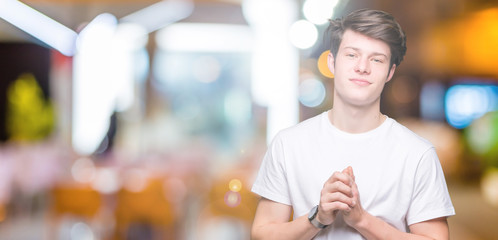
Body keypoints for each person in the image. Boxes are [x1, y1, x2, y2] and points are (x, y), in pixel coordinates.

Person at [250, 9, 455, 240]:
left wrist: (362, 221)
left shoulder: (417, 153)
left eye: (376, 59)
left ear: (390, 72)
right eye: (351, 55)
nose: (362, 67)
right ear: (332, 62)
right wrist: (318, 218)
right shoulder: (288, 144)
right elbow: (262, 234)